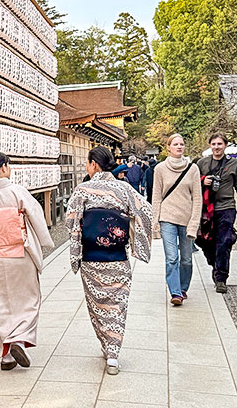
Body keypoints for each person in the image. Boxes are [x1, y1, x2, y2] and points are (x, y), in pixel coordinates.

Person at [65, 147, 153, 375]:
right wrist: (136, 240)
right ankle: (113, 354)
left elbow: (71, 220)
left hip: (92, 258)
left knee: (97, 305)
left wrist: (76, 247)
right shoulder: (124, 189)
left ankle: (107, 345)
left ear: (94, 164)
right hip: (118, 258)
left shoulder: (83, 189)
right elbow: (146, 212)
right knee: (117, 305)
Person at [0, 152, 55, 371]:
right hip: (20, 253)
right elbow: (36, 217)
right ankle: (18, 340)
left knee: (2, 303)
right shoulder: (17, 192)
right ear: (5, 168)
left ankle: (6, 356)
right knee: (28, 298)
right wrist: (44, 241)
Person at [195, 133, 237, 294]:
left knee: (224, 241)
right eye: (213, 144)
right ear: (210, 146)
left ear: (225, 145)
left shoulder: (234, 164)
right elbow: (191, 184)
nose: (217, 147)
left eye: (220, 144)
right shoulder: (202, 163)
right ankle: (215, 262)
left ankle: (221, 278)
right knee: (203, 240)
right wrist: (202, 180)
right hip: (206, 208)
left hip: (226, 207)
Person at [152, 134, 202, 305]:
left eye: (181, 144)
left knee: (187, 258)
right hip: (167, 217)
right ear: (168, 147)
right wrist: (155, 222)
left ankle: (183, 288)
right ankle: (175, 293)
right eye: (175, 144)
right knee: (172, 257)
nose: (179, 147)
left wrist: (194, 222)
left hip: (187, 218)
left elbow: (197, 198)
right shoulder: (159, 169)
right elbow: (156, 196)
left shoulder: (193, 169)